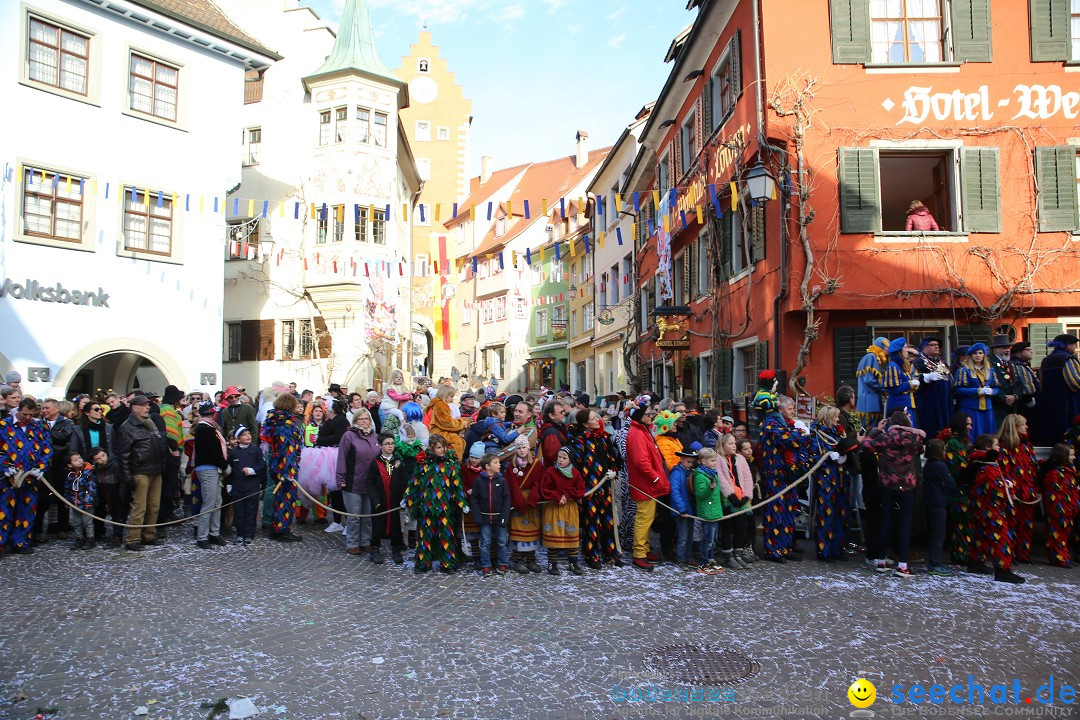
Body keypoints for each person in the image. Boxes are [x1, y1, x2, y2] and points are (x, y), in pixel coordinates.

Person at [862, 410, 925, 577]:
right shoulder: (913, 438)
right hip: (907, 486)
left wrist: (876, 429)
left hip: (887, 484)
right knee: (905, 524)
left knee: (885, 521)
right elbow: (920, 447)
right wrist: (911, 430)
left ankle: (881, 560)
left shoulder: (885, 438)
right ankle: (903, 564)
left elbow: (867, 445)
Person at [756, 383, 812, 563]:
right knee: (775, 514)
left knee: (789, 513)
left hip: (789, 476)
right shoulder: (769, 423)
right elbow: (786, 438)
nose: (793, 411)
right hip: (775, 476)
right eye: (790, 408)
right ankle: (773, 550)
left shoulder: (783, 423)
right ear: (778, 407)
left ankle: (785, 547)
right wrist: (804, 434)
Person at [405, 434, 468, 573]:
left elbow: (456, 486)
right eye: (439, 447)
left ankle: (447, 563)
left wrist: (462, 502)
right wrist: (407, 499)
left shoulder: (451, 465)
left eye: (443, 447)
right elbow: (415, 483)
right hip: (426, 506)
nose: (442, 450)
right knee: (425, 535)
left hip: (445, 508)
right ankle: (423, 563)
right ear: (432, 448)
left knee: (446, 535)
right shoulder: (423, 464)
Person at [967, 433, 1025, 584]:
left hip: (981, 509)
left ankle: (976, 562)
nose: (999, 448)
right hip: (992, 509)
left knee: (981, 536)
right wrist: (1010, 487)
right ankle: (1003, 570)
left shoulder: (977, 463)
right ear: (988, 448)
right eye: (996, 445)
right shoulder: (989, 467)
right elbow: (998, 490)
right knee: (1001, 539)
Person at [568, 409, 621, 569]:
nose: (597, 420)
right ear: (585, 424)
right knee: (591, 521)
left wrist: (614, 469)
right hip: (590, 488)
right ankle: (592, 555)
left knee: (608, 521)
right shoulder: (579, 440)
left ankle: (610, 554)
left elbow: (612, 457)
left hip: (605, 485)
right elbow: (576, 465)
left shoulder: (604, 438)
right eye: (593, 418)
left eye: (597, 417)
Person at [113, 395, 167, 552]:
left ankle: (148, 535)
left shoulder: (150, 423)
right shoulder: (126, 427)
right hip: (139, 471)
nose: (147, 408)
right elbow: (123, 455)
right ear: (134, 407)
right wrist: (128, 478)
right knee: (139, 507)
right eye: (143, 405)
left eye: (147, 405)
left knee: (154, 506)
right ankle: (133, 538)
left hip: (155, 469)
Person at [624, 399, 669, 571]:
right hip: (645, 484)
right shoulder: (636, 434)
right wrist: (656, 478)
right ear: (641, 417)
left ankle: (645, 548)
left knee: (648, 517)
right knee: (644, 518)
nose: (652, 416)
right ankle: (639, 554)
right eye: (649, 414)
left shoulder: (642, 431)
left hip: (648, 483)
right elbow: (641, 461)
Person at [996, 413, 1039, 564]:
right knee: (1011, 524)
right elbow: (1004, 472)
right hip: (1012, 494)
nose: (1026, 427)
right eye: (1023, 424)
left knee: (1026, 524)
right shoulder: (1003, 447)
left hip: (1027, 493)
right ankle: (1010, 554)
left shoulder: (1027, 446)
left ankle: (1023, 554)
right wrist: (1010, 492)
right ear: (1014, 427)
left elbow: (1033, 469)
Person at [261, 393, 304, 543]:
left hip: (277, 465)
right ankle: (281, 529)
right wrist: (287, 472)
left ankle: (277, 526)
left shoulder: (275, 420)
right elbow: (287, 449)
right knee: (286, 498)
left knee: (280, 497)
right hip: (286, 468)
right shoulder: (285, 424)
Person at [337, 408, 380, 557]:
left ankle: (365, 541)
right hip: (353, 482)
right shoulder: (349, 436)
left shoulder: (375, 437)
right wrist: (340, 478)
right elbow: (341, 458)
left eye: (366, 419)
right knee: (354, 516)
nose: (364, 422)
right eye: (361, 419)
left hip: (370, 483)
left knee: (367, 515)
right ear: (355, 421)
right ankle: (353, 543)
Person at [808, 405, 848, 563]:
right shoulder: (816, 434)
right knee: (826, 514)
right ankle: (824, 550)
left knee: (841, 514)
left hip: (840, 477)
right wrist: (828, 455)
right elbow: (812, 455)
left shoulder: (838, 433)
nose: (837, 420)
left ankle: (837, 548)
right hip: (825, 478)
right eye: (835, 417)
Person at [540, 447, 586, 576]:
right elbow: (545, 488)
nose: (560, 460)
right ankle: (552, 563)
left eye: (564, 458)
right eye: (559, 457)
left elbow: (580, 489)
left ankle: (573, 562)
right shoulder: (551, 472)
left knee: (570, 533)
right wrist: (556, 496)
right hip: (554, 507)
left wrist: (567, 495)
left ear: (570, 460)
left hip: (569, 507)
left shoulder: (575, 473)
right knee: (554, 533)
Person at [38, 397, 78, 542]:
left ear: (56, 409)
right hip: (43, 467)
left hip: (60, 465)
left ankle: (62, 527)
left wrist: (46, 431)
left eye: (47, 408)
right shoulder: (39, 423)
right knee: (42, 499)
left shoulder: (67, 423)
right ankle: (38, 529)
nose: (44, 411)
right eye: (42, 408)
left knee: (62, 498)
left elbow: (63, 437)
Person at [191, 399, 229, 549]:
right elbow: (213, 453)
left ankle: (214, 533)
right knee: (209, 503)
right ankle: (202, 537)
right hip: (208, 469)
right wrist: (225, 466)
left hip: (213, 469)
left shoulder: (208, 429)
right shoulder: (204, 429)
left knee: (217, 502)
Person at [505, 435, 543, 574]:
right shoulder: (512, 465)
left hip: (531, 500)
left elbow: (539, 481)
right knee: (518, 531)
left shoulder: (536, 464)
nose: (521, 450)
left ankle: (531, 559)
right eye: (519, 448)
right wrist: (517, 498)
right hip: (518, 499)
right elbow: (511, 484)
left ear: (529, 448)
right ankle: (517, 559)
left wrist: (533, 495)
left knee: (532, 529)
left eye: (523, 447)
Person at [939, 412, 973, 565]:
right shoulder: (953, 444)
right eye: (968, 424)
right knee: (960, 523)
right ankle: (959, 555)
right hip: (958, 491)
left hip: (964, 489)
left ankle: (963, 552)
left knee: (965, 523)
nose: (970, 427)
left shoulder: (963, 442)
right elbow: (957, 469)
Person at [367, 433, 407, 564]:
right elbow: (370, 483)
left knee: (395, 525)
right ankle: (375, 548)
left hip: (394, 501)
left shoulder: (398, 462)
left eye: (392, 443)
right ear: (380, 446)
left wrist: (403, 496)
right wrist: (375, 499)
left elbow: (403, 481)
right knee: (378, 524)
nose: (390, 446)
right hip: (380, 500)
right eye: (387, 444)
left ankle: (396, 548)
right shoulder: (375, 463)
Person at [470, 452, 511, 576]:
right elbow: (474, 499)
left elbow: (506, 500)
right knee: (485, 542)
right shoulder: (479, 481)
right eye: (496, 462)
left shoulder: (502, 480)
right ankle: (486, 565)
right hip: (484, 517)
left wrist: (504, 517)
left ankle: (502, 564)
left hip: (499, 517)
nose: (499, 465)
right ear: (487, 466)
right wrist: (477, 516)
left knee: (502, 542)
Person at [1038, 443, 1078, 568]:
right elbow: (1053, 495)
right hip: (1058, 512)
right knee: (1056, 534)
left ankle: (1063, 556)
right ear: (1063, 456)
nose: (1074, 458)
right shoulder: (1054, 474)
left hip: (1067, 510)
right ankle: (1057, 558)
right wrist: (1060, 511)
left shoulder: (1068, 471)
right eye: (1071, 455)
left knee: (1064, 535)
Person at [717, 433, 754, 569]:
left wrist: (746, 496)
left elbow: (748, 478)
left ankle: (738, 553)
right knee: (728, 527)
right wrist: (731, 496)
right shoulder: (719, 459)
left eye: (734, 443)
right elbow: (721, 478)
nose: (734, 446)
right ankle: (728, 555)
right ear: (722, 445)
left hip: (742, 497)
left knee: (741, 527)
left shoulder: (740, 459)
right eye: (730, 443)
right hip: (727, 499)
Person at [1039, 334, 1080, 446]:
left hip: (1049, 403)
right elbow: (1075, 383)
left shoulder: (1046, 360)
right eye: (1073, 344)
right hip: (1067, 403)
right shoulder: (1068, 359)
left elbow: (1041, 383)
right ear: (1067, 346)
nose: (1074, 347)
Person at [922, 439, 956, 576]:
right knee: (938, 534)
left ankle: (934, 561)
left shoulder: (929, 465)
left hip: (930, 502)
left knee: (935, 533)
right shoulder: (940, 466)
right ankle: (934, 563)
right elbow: (951, 484)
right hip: (938, 502)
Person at [228, 425, 265, 545]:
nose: (248, 436)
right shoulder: (234, 452)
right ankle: (240, 534)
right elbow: (230, 470)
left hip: (252, 486)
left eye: (248, 434)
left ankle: (249, 534)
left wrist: (252, 470)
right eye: (244, 434)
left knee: (250, 511)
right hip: (238, 487)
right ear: (238, 439)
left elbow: (262, 466)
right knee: (239, 512)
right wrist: (229, 484)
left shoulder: (256, 450)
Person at [954, 342, 998, 438]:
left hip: (987, 408)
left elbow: (996, 387)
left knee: (988, 435)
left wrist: (992, 391)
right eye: (975, 353)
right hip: (970, 407)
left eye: (980, 353)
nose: (978, 355)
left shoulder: (990, 370)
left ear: (984, 355)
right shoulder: (964, 370)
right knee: (972, 434)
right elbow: (958, 390)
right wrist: (978, 391)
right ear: (970, 355)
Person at [692, 447, 725, 575]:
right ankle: (703, 562)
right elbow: (700, 495)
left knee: (714, 539)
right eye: (712, 461)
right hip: (708, 511)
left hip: (715, 511)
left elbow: (718, 491)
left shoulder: (713, 473)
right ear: (703, 461)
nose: (714, 463)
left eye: (715, 460)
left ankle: (711, 560)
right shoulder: (700, 476)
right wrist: (710, 489)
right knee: (707, 540)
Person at [913, 337, 952, 439]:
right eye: (933, 345)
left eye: (938, 345)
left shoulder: (942, 362)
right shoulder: (918, 362)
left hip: (944, 402)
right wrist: (925, 378)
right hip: (928, 401)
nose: (936, 347)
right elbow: (913, 378)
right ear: (925, 347)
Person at [668, 443, 699, 569]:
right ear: (682, 460)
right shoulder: (677, 473)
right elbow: (675, 492)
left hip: (691, 509)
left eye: (692, 462)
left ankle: (689, 557)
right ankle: (681, 559)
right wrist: (681, 509)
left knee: (690, 535)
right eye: (689, 462)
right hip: (682, 510)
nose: (691, 464)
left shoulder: (691, 472)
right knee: (683, 536)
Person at [88, 446, 124, 547]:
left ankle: (117, 536)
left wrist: (121, 495)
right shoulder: (96, 468)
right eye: (98, 459)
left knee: (117, 515)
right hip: (103, 492)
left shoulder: (115, 464)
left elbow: (122, 481)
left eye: (103, 456)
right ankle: (99, 533)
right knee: (99, 512)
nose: (102, 459)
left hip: (115, 493)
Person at [460, 442, 486, 566]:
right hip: (470, 502)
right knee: (473, 533)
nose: (474, 460)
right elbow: (462, 482)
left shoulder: (485, 469)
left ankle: (486, 556)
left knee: (483, 532)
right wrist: (466, 490)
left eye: (477, 458)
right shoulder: (465, 468)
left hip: (482, 504)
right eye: (472, 457)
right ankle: (476, 556)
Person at [882, 337, 919, 425]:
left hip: (907, 404)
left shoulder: (902, 366)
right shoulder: (893, 366)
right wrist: (910, 384)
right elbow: (893, 389)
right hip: (899, 407)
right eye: (905, 348)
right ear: (899, 351)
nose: (907, 350)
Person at [64, 450, 97, 549]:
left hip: (87, 502)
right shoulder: (70, 475)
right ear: (70, 465)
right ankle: (79, 538)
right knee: (76, 521)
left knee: (87, 521)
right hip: (75, 502)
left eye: (79, 458)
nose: (79, 461)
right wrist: (67, 500)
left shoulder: (88, 472)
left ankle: (90, 538)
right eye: (75, 460)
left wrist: (88, 500)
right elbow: (67, 488)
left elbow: (91, 488)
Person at [855, 337, 889, 428]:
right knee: (870, 428)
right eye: (886, 348)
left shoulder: (872, 357)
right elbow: (869, 379)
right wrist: (884, 388)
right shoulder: (872, 357)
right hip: (869, 399)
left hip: (869, 398)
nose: (888, 351)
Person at [427, 385, 468, 458]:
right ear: (445, 395)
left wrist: (464, 421)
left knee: (462, 441)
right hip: (438, 431)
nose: (452, 399)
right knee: (456, 440)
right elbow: (447, 422)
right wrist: (461, 423)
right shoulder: (440, 405)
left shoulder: (445, 404)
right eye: (451, 396)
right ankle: (453, 460)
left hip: (444, 430)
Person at [1009, 341, 1040, 437]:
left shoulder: (1023, 364)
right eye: (1028, 349)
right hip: (1026, 402)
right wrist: (1031, 401)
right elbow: (1026, 386)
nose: (1031, 351)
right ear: (1019, 352)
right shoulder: (1018, 365)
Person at [989, 335, 1018, 426]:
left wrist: (1015, 396)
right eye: (1004, 348)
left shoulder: (1012, 363)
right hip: (998, 406)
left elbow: (1019, 382)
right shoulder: (989, 363)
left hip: (1013, 406)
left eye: (1008, 348)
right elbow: (991, 384)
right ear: (995, 350)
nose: (1008, 350)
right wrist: (1005, 398)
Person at [538, 400, 569, 469]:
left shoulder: (557, 428)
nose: (564, 413)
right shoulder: (551, 433)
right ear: (551, 415)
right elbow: (554, 458)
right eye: (561, 412)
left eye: (563, 411)